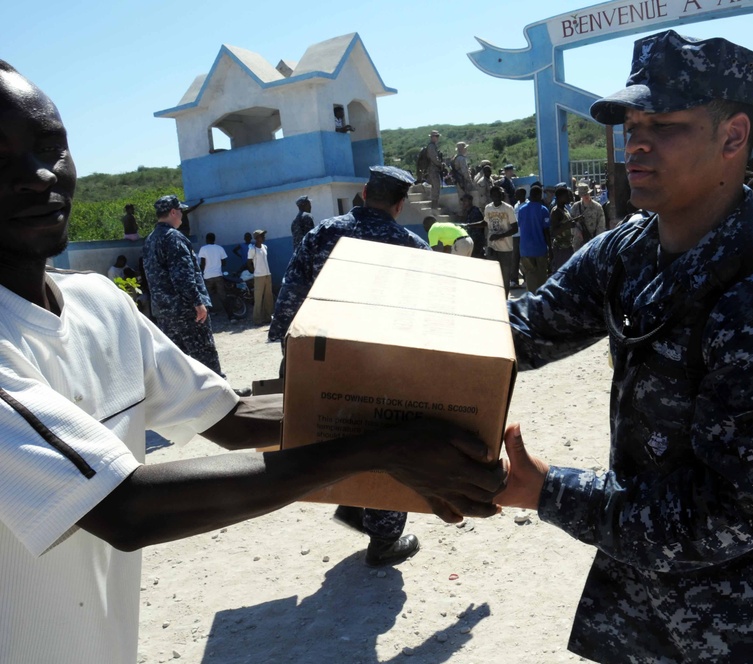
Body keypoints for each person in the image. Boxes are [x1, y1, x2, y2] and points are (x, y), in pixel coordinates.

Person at [0, 60, 505, 664]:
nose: (36, 175)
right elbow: (123, 508)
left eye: (51, 145)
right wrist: (387, 446)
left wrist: (420, 420)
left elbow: (233, 415)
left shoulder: (98, 303)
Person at [495, 31, 753, 663]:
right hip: (640, 599)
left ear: (733, 137)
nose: (636, 143)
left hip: (739, 621)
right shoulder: (629, 250)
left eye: (664, 124)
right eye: (631, 124)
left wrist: (545, 489)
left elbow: (728, 516)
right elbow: (526, 328)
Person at [269, 166, 433, 566]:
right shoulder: (411, 245)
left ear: (363, 192)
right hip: (385, 364)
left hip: (327, 358)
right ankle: (384, 539)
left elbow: (291, 297)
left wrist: (291, 357)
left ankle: (355, 506)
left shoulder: (322, 233)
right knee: (390, 441)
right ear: (399, 204)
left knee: (339, 430)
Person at [143, 194, 225, 377]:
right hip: (186, 311)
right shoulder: (174, 238)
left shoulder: (150, 239)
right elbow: (183, 276)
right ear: (173, 212)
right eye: (180, 211)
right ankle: (222, 396)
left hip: (164, 312)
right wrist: (197, 303)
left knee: (178, 362)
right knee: (204, 355)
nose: (182, 215)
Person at [483, 185, 518, 296]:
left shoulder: (508, 208)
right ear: (491, 196)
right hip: (492, 247)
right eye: (495, 195)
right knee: (492, 275)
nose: (498, 197)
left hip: (506, 248)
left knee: (505, 276)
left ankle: (505, 300)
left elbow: (515, 228)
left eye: (500, 195)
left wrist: (500, 236)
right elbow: (485, 223)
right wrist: (471, 225)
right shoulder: (488, 208)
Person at [515, 186, 550, 293]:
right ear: (539, 195)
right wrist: (550, 248)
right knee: (542, 277)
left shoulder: (521, 209)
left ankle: (530, 301)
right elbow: (546, 231)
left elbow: (520, 225)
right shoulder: (543, 210)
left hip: (525, 249)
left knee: (530, 276)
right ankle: (541, 301)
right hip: (540, 249)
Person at [197, 232, 233, 321]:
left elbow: (203, 263)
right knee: (223, 296)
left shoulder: (203, 249)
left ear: (207, 239)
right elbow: (224, 262)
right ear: (214, 239)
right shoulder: (219, 248)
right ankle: (231, 316)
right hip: (218, 275)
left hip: (207, 276)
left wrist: (201, 271)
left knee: (207, 296)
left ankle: (207, 318)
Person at [246, 230, 274, 325]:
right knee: (258, 299)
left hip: (267, 275)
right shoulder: (252, 249)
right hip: (259, 276)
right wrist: (254, 272)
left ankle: (267, 317)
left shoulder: (264, 247)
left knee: (268, 298)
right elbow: (249, 263)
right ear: (257, 238)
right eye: (262, 236)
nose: (264, 237)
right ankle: (257, 320)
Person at [569, 183, 606, 252]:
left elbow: (601, 225)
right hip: (578, 243)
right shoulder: (575, 207)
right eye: (583, 194)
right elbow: (571, 223)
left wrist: (597, 240)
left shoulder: (597, 207)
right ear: (580, 195)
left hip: (593, 240)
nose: (586, 196)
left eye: (587, 193)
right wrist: (577, 232)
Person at [547, 184, 575, 272]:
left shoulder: (565, 209)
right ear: (560, 197)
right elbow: (553, 232)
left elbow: (566, 223)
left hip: (568, 247)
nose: (569, 197)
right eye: (567, 196)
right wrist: (568, 226)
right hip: (561, 249)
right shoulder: (556, 212)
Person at [424, 130, 447, 208]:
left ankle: (435, 204)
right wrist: (440, 164)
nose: (437, 138)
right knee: (436, 186)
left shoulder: (433, 146)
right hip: (432, 168)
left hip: (434, 168)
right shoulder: (431, 146)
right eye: (436, 136)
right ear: (432, 137)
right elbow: (433, 157)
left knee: (436, 186)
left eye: (438, 136)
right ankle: (434, 205)